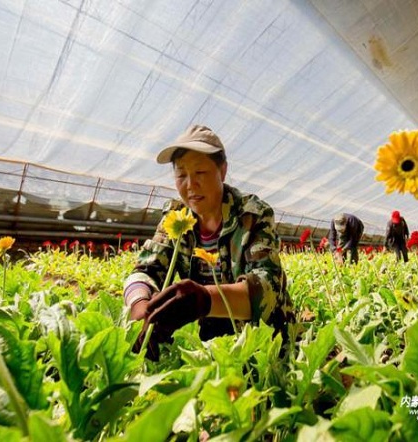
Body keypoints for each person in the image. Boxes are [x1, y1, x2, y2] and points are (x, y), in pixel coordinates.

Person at [123, 124, 295, 357]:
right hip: (204, 347)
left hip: (263, 344)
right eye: (181, 175)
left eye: (200, 173)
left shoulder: (252, 215)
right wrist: (141, 306)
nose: (190, 185)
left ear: (222, 171)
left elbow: (267, 290)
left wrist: (203, 299)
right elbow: (145, 269)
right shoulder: (175, 218)